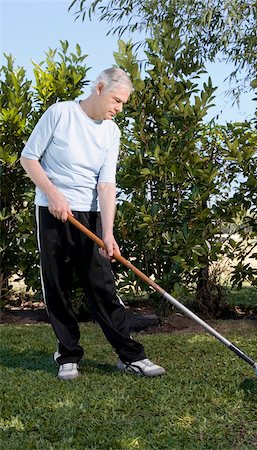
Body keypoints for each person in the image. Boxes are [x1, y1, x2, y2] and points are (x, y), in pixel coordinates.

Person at [20, 67, 165, 381]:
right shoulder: (60, 114)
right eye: (116, 100)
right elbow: (29, 158)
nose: (119, 108)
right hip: (52, 211)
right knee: (57, 285)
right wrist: (54, 195)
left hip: (91, 215)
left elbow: (107, 184)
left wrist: (108, 233)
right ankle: (67, 354)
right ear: (100, 88)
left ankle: (130, 356)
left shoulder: (111, 131)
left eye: (123, 104)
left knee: (102, 287)